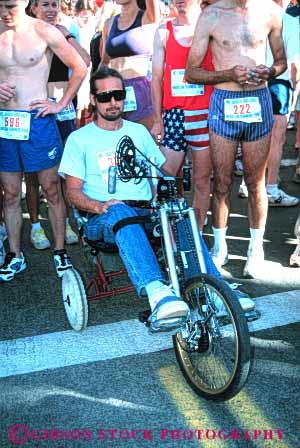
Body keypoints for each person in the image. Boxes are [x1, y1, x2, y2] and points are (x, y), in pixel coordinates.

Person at [58, 66, 189, 330]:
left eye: (118, 95)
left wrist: (166, 198)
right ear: (93, 100)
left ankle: (214, 288)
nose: (113, 102)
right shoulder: (79, 139)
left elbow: (159, 174)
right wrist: (99, 205)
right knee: (119, 211)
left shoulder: (138, 132)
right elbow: (71, 192)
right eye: (105, 97)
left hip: (143, 212)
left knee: (180, 211)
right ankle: (157, 292)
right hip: (101, 217)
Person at [185, 0, 287, 278]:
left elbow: (281, 62)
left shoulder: (271, 12)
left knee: (256, 183)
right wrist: (228, 74)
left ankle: (256, 251)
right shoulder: (211, 15)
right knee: (222, 181)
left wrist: (270, 72)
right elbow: (191, 71)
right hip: (224, 100)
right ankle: (220, 248)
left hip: (259, 99)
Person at [0, 0, 87, 281]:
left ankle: (60, 251)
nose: (4, 13)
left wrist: (60, 103)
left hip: (37, 119)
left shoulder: (43, 30)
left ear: (24, 3)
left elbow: (80, 66)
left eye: (10, 7)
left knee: (51, 188)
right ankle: (14, 255)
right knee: (11, 194)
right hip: (6, 124)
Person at [151, 0, 213, 230]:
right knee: (165, 177)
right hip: (175, 115)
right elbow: (156, 78)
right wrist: (158, 119)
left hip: (204, 114)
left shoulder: (209, 28)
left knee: (201, 179)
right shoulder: (163, 31)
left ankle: (197, 230)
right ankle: (168, 225)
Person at [100, 0, 160, 130]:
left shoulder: (147, 17)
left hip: (141, 90)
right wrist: (95, 89)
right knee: (115, 141)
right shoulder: (109, 24)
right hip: (114, 90)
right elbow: (104, 61)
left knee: (142, 141)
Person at [265, 0, 300, 206]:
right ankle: (271, 188)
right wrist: (295, 89)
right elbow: (294, 64)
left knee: (257, 137)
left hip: (254, 80)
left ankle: (250, 184)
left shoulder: (252, 17)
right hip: (280, 83)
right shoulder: (288, 21)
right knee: (276, 139)